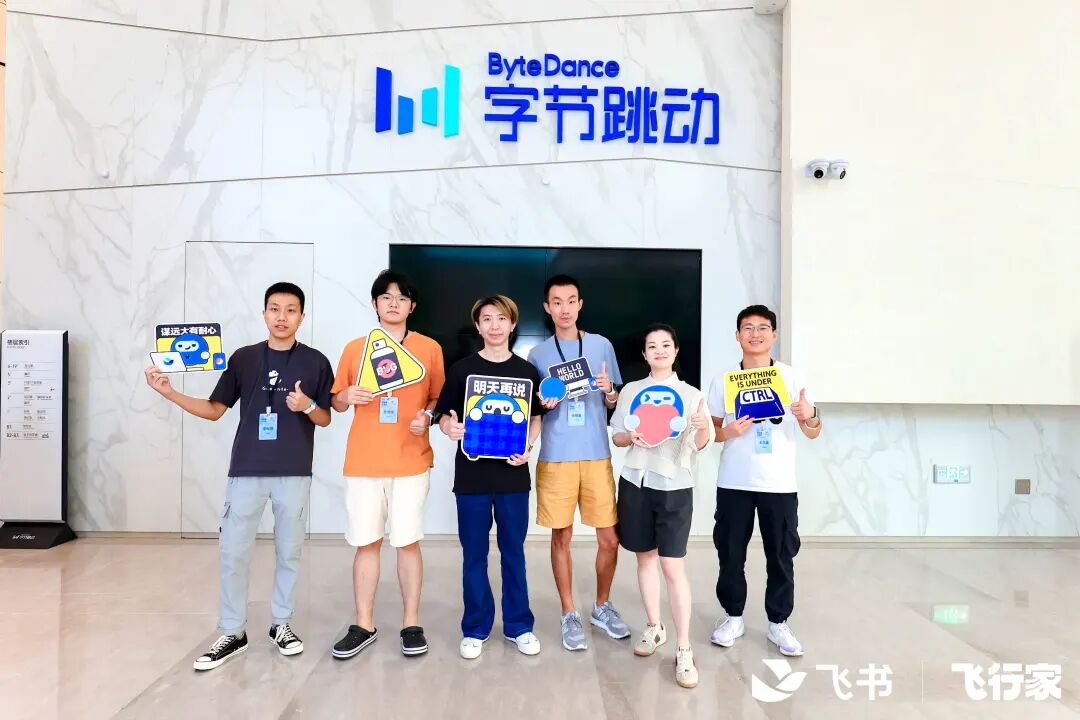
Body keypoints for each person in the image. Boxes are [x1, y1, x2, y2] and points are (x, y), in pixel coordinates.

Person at [144, 282, 334, 671]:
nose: (282, 317)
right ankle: (233, 631)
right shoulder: (244, 358)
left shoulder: (315, 361)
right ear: (264, 313)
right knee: (233, 552)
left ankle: (281, 624)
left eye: (291, 310)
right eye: (275, 309)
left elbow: (325, 418)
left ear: (302, 317)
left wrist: (307, 404)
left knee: (289, 552)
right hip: (246, 470)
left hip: (294, 472)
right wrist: (169, 393)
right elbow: (215, 409)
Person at [329, 271, 445, 660]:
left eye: (401, 297)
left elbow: (438, 399)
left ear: (412, 306)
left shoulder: (429, 348)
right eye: (386, 297)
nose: (393, 303)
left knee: (408, 543)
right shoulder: (355, 349)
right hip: (364, 462)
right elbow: (336, 402)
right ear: (374, 303)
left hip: (411, 461)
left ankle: (411, 623)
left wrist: (427, 417)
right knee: (366, 543)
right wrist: (346, 394)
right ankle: (364, 624)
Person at [435, 295, 546, 660]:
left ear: (512, 324)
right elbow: (444, 415)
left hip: (513, 478)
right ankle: (475, 627)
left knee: (514, 553)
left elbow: (535, 418)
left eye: (501, 318)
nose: (494, 325)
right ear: (478, 326)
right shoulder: (462, 369)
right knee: (474, 555)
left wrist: (528, 446)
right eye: (487, 319)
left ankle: (519, 626)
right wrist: (450, 427)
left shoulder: (527, 371)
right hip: (471, 478)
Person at [707, 305, 822, 657]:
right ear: (737, 335)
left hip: (779, 484)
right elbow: (710, 432)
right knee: (730, 553)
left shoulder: (792, 377)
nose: (755, 334)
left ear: (773, 335)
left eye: (762, 328)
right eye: (747, 328)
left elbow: (813, 431)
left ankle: (778, 622)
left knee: (781, 555)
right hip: (735, 481)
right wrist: (727, 431)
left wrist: (809, 415)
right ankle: (733, 617)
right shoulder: (724, 380)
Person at [526, 274, 629, 651]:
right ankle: (569, 611)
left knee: (610, 538)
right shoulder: (537, 354)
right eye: (557, 302)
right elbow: (535, 408)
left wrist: (609, 391)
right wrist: (543, 404)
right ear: (547, 307)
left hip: (596, 452)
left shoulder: (601, 344)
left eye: (571, 300)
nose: (564, 308)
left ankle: (601, 605)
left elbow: (613, 400)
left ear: (580, 304)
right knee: (562, 536)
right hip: (556, 455)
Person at [610, 324, 712, 689]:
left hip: (674, 486)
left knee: (672, 565)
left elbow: (702, 443)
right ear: (644, 353)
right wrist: (629, 436)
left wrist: (701, 426)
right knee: (644, 559)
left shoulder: (691, 394)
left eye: (665, 344)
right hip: (636, 482)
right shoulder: (631, 391)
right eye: (652, 346)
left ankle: (684, 648)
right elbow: (618, 436)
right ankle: (655, 627)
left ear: (676, 350)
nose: (659, 350)